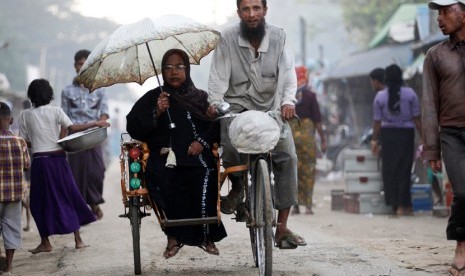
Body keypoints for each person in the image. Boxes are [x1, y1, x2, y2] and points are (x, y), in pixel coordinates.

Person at [208, 0, 306, 249]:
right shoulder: (228, 38)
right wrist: (216, 103)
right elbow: (218, 77)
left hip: (271, 110)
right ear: (239, 12)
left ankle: (282, 227)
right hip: (237, 108)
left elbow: (288, 73)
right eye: (246, 9)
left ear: (265, 11)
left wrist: (287, 101)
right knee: (228, 141)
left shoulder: (279, 37)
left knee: (287, 157)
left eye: (256, 8)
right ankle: (239, 186)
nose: (251, 14)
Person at [126, 49, 227, 259]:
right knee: (161, 178)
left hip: (196, 157)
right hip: (165, 158)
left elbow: (216, 125)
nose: (174, 72)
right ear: (162, 70)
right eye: (169, 67)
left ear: (187, 70)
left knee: (205, 174)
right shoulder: (154, 97)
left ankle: (205, 235)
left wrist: (201, 142)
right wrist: (157, 112)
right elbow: (134, 126)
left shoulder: (200, 97)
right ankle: (173, 236)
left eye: (179, 66)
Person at [19, 79, 109, 254]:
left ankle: (45, 242)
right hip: (59, 161)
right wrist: (95, 123)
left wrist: (39, 142)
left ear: (31, 96)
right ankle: (78, 239)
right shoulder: (56, 111)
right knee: (68, 196)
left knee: (38, 202)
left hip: (40, 162)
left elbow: (24, 141)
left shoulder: (25, 115)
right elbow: (73, 128)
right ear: (49, 95)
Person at [423, 1, 465, 275]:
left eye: (445, 10)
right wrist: (432, 150)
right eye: (438, 12)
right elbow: (429, 103)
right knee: (462, 191)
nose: (440, 18)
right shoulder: (434, 55)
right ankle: (461, 247)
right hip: (452, 133)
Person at [61, 49, 109, 220]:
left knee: (98, 171)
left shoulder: (100, 90)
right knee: (77, 173)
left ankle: (94, 202)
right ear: (75, 66)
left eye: (87, 64)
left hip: (94, 136)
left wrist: (101, 123)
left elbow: (104, 112)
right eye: (81, 64)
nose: (83, 67)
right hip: (75, 138)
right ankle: (83, 210)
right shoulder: (67, 91)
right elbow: (64, 117)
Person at [370, 64, 422, 216]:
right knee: (405, 170)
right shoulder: (410, 93)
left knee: (390, 170)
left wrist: (374, 140)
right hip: (406, 135)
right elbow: (417, 119)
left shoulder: (380, 97)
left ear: (385, 78)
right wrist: (425, 138)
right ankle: (404, 205)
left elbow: (377, 122)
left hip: (388, 136)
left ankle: (394, 205)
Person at [290, 66, 326, 215]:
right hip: (307, 137)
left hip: (291, 134)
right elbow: (317, 120)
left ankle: (296, 206)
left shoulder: (289, 94)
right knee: (309, 169)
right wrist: (323, 140)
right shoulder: (310, 95)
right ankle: (309, 206)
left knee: (293, 170)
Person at [0, 102, 30, 274]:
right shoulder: (20, 142)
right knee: (11, 228)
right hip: (14, 193)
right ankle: (9, 268)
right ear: (10, 120)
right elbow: (26, 165)